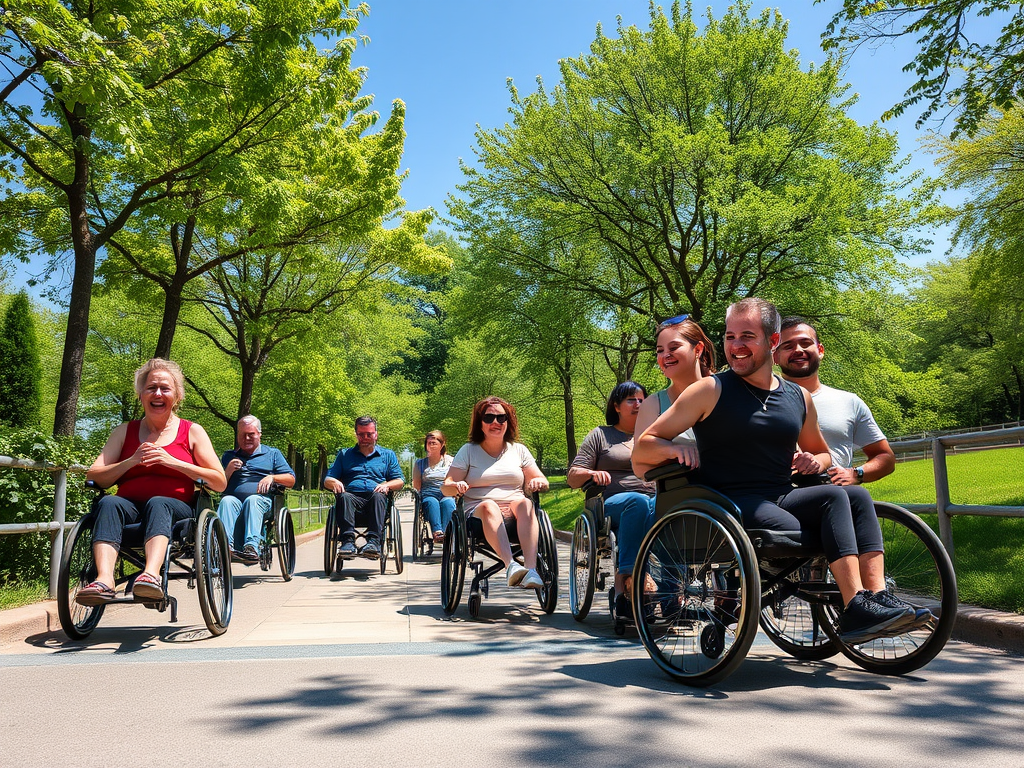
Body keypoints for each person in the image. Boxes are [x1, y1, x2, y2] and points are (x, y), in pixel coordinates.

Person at [633, 298, 924, 643]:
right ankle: (854, 607)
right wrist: (674, 447)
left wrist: (816, 461)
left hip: (780, 496)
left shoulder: (798, 397)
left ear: (772, 342)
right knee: (832, 500)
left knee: (856, 495)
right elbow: (642, 451)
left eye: (747, 336)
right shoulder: (710, 390)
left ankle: (877, 600)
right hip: (731, 505)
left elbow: (822, 452)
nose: (736, 346)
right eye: (729, 337)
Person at [77, 358, 227, 605]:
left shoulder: (192, 431)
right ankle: (104, 580)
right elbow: (94, 476)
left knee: (159, 503)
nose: (158, 393)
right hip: (130, 509)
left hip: (177, 510)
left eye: (165, 388)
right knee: (108, 504)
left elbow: (219, 482)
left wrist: (172, 462)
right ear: (141, 395)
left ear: (177, 396)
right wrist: (132, 461)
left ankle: (151, 575)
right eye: (151, 388)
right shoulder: (124, 431)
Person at [774, 316, 896, 486]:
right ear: (775, 356)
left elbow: (885, 457)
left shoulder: (849, 402)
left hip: (839, 497)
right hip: (781, 497)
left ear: (820, 350)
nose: (798, 350)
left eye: (806, 343)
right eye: (788, 346)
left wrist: (856, 474)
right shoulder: (764, 401)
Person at [568, 381, 656, 615]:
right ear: (616, 406)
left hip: (653, 500)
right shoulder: (601, 435)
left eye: (641, 400)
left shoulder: (656, 434)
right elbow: (573, 477)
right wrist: (592, 473)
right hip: (614, 503)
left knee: (662, 505)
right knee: (636, 502)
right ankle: (625, 579)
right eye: (631, 400)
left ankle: (669, 590)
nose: (638, 404)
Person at [443, 397, 548, 590]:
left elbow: (542, 480)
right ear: (479, 423)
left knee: (526, 503)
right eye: (489, 417)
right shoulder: (468, 451)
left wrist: (537, 481)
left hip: (515, 508)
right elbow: (446, 486)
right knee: (489, 505)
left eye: (501, 418)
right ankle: (511, 566)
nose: (495, 423)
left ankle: (531, 570)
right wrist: (456, 485)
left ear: (508, 422)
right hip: (479, 510)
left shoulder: (519, 450)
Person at [323, 416, 404, 566]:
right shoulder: (344, 455)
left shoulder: (388, 455)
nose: (365, 438)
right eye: (361, 434)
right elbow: (328, 480)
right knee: (344, 496)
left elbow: (400, 481)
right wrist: (334, 482)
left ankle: (373, 541)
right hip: (351, 498)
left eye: (369, 434)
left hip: (376, 498)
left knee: (379, 496)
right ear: (356, 434)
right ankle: (347, 542)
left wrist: (387, 485)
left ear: (376, 434)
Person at [217, 415, 296, 563]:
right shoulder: (229, 456)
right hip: (234, 501)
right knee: (226, 501)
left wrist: (273, 477)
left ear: (259, 434)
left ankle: (251, 546)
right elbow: (218, 485)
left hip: (261, 501)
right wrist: (227, 471)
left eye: (251, 434)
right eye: (242, 434)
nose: (246, 438)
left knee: (252, 500)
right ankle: (225, 546)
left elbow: (291, 480)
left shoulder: (273, 454)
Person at [413, 430, 456, 544]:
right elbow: (417, 485)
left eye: (434, 443)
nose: (431, 445)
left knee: (448, 503)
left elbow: (456, 478)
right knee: (432, 502)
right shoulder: (420, 464)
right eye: (429, 443)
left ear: (442, 444)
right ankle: (437, 532)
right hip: (428, 493)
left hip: (447, 491)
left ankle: (447, 533)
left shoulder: (451, 461)